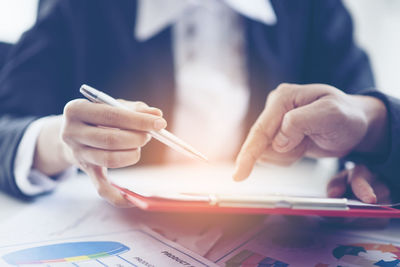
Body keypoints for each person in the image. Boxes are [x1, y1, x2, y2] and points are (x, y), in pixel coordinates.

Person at [0, 0, 377, 206]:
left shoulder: (313, 9)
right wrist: (60, 143)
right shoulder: (76, 8)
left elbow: (359, 113)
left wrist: (371, 154)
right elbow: (9, 124)